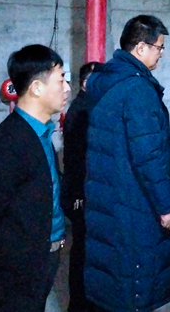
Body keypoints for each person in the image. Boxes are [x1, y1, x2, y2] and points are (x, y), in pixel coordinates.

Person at [83, 15, 170, 312]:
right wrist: (166, 207)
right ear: (141, 48)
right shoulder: (138, 91)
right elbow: (149, 156)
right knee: (136, 277)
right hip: (134, 200)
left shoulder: (106, 83)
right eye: (159, 47)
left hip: (108, 196)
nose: (161, 54)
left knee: (113, 269)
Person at [0, 44, 71, 312]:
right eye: (61, 80)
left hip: (41, 257)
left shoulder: (40, 133)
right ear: (36, 88)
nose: (67, 88)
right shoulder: (10, 140)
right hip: (18, 264)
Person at [61, 60, 101, 312]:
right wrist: (80, 194)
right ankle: (81, 304)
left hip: (80, 191)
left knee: (83, 248)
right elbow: (79, 159)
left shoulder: (83, 107)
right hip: (82, 193)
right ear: (87, 83)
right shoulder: (85, 111)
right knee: (84, 251)